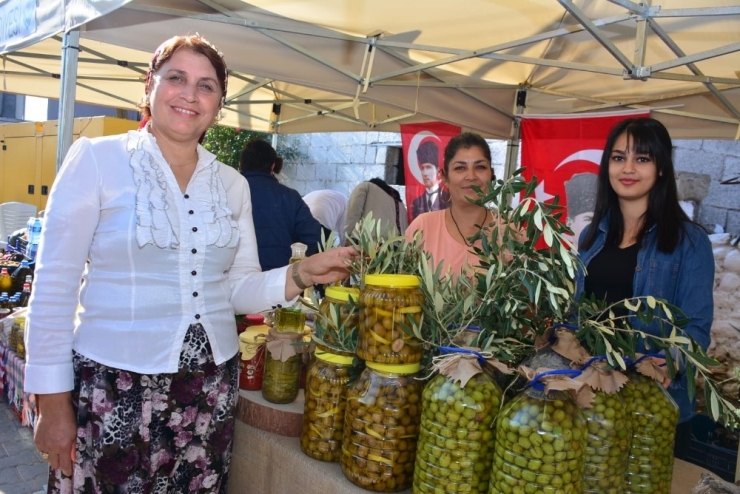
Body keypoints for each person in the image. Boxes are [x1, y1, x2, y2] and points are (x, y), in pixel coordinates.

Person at [23, 34, 355, 492]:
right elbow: (54, 286)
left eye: (206, 86)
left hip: (207, 388)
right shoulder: (98, 160)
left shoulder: (232, 184)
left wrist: (300, 274)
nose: (189, 94)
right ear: (149, 86)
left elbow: (236, 289)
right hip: (114, 385)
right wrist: (52, 401)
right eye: (176, 78)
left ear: (219, 104)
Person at [575, 117, 714, 457]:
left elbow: (696, 329)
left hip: (651, 406)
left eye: (643, 158)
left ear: (662, 168)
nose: (628, 168)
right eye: (619, 157)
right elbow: (580, 314)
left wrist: (670, 361)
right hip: (596, 396)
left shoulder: (689, 242)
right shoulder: (591, 237)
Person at [406, 132, 501, 277]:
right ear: (445, 178)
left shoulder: (511, 232)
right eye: (460, 168)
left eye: (480, 167)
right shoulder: (422, 228)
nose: (471, 176)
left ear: (491, 175)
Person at [239, 138, 325, 271]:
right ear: (272, 166)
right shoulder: (290, 197)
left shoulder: (227, 193)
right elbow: (313, 237)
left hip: (234, 279)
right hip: (279, 279)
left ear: (240, 164)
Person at [410, 140, 450, 219]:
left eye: (428, 167)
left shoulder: (449, 200)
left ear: (438, 171)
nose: (425, 173)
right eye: (422, 168)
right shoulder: (416, 202)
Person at [564, 172, 597, 249]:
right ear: (569, 223)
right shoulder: (554, 260)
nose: (595, 227)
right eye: (588, 219)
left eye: (599, 220)